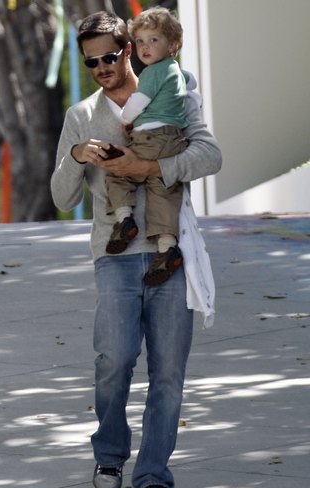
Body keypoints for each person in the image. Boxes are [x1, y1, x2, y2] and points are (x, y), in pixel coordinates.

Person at [50, 11, 221, 488]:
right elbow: (61, 198)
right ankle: (109, 454)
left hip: (171, 255)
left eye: (109, 55)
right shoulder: (82, 114)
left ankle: (153, 474)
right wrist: (78, 155)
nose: (102, 67)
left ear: (131, 48)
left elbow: (210, 156)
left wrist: (148, 165)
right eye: (91, 62)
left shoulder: (175, 89)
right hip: (115, 254)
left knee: (168, 372)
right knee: (115, 359)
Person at [105, 7, 190, 286]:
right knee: (161, 191)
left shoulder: (154, 72)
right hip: (173, 140)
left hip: (150, 138)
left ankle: (124, 220)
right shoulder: (177, 71)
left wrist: (125, 120)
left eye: (154, 40)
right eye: (140, 41)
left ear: (173, 44)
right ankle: (167, 249)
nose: (145, 47)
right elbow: (192, 84)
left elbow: (137, 104)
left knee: (117, 170)